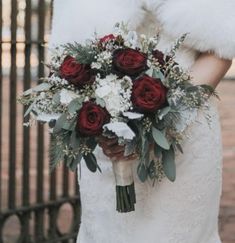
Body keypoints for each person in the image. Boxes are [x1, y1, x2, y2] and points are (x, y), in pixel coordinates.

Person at [49, 0, 235, 242]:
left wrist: (163, 122)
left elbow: (221, 50)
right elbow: (66, 60)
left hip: (184, 137)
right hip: (109, 144)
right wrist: (99, 123)